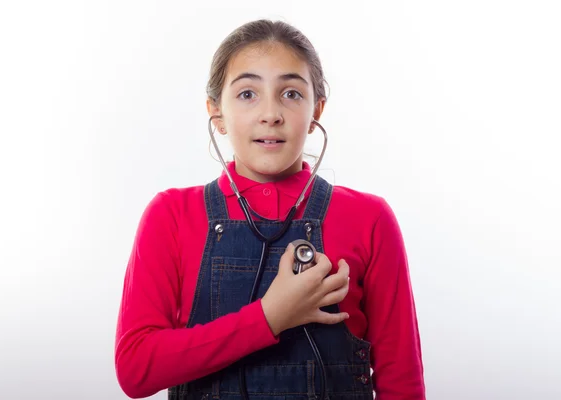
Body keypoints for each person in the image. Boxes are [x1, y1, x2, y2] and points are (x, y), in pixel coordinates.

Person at [114, 19, 425, 400]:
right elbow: (136, 369)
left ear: (317, 112)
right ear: (216, 112)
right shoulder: (171, 215)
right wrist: (271, 316)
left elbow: (402, 384)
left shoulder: (370, 219)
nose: (271, 114)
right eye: (247, 94)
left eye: (291, 94)